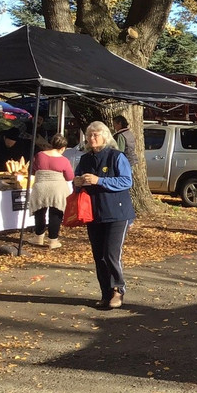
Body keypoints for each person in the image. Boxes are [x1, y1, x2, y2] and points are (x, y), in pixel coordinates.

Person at [74, 121, 135, 309]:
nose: (91, 138)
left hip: (117, 213)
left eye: (96, 135)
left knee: (110, 254)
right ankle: (105, 293)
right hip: (93, 213)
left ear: (105, 136)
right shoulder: (85, 159)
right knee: (99, 255)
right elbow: (77, 181)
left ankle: (118, 290)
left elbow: (126, 181)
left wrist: (99, 180)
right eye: (89, 135)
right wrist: (77, 182)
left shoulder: (116, 156)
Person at [28, 133, 75, 250]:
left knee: (39, 212)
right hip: (57, 189)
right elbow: (69, 177)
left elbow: (32, 170)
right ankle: (53, 240)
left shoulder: (40, 155)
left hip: (41, 186)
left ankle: (38, 237)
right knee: (55, 213)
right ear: (63, 148)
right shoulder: (64, 160)